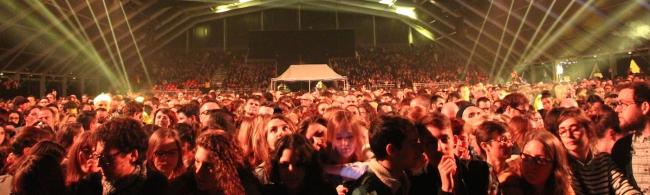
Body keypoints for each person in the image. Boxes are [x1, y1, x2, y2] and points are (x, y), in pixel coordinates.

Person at [553, 108, 640, 194]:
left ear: (589, 131)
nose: (568, 135)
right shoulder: (562, 165)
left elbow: (622, 185)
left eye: (575, 129)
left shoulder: (603, 159)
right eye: (563, 132)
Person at [73, 117, 168, 195]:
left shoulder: (156, 184)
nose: (99, 165)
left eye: (107, 158)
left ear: (133, 155)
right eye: (97, 156)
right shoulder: (91, 183)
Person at [168, 130, 261, 195]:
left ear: (227, 167)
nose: (198, 172)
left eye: (209, 166)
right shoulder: (181, 188)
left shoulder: (246, 188)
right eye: (197, 161)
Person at [351, 115, 423, 195]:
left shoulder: (405, 177)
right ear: (391, 150)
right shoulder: (366, 190)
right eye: (413, 143)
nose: (421, 149)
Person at [501, 130, 574, 195]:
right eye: (526, 156)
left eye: (540, 160)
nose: (531, 165)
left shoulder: (562, 186)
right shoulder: (510, 183)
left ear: (554, 164)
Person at [264, 134, 337, 195]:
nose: (291, 171)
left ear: (308, 165)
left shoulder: (325, 192)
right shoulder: (268, 192)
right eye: (284, 165)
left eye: (298, 165)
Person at [612, 81, 650, 193]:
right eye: (617, 104)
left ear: (644, 107)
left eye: (623, 104)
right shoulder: (622, 148)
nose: (617, 110)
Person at [474, 121, 513, 195]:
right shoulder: (478, 177)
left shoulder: (514, 172)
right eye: (503, 140)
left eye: (510, 140)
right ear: (485, 146)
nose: (510, 145)